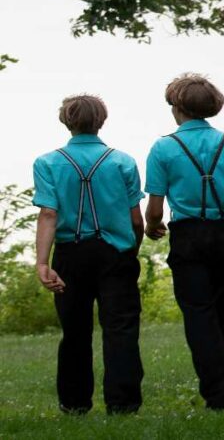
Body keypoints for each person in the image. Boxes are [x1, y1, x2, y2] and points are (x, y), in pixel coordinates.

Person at [144, 73, 224, 410]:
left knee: (199, 315)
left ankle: (216, 395)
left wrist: (152, 226)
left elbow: (155, 208)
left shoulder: (163, 148)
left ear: (178, 108)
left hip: (188, 238)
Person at [32, 94, 145, 415]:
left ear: (66, 121)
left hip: (70, 254)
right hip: (116, 253)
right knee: (121, 328)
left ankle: (75, 402)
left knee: (75, 331)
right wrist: (130, 248)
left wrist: (42, 262)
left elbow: (49, 215)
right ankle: (123, 404)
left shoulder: (47, 163)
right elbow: (136, 219)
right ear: (101, 121)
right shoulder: (122, 161)